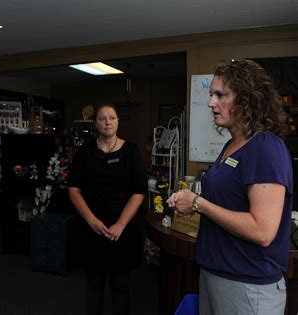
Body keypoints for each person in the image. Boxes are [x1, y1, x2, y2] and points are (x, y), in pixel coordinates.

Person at [168, 59, 292, 315]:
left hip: (247, 286)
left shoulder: (266, 147)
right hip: (214, 275)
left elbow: (262, 230)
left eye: (220, 95)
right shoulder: (231, 146)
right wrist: (192, 204)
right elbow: (227, 202)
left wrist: (197, 203)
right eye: (211, 94)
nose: (211, 103)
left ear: (247, 99)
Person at [68, 104, 146, 315]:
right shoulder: (85, 151)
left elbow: (139, 191)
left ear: (118, 121)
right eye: (102, 119)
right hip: (92, 229)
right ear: (96, 124)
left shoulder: (132, 151)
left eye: (112, 118)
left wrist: (120, 224)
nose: (107, 122)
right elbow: (74, 189)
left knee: (121, 286)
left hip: (122, 231)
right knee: (94, 286)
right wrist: (91, 220)